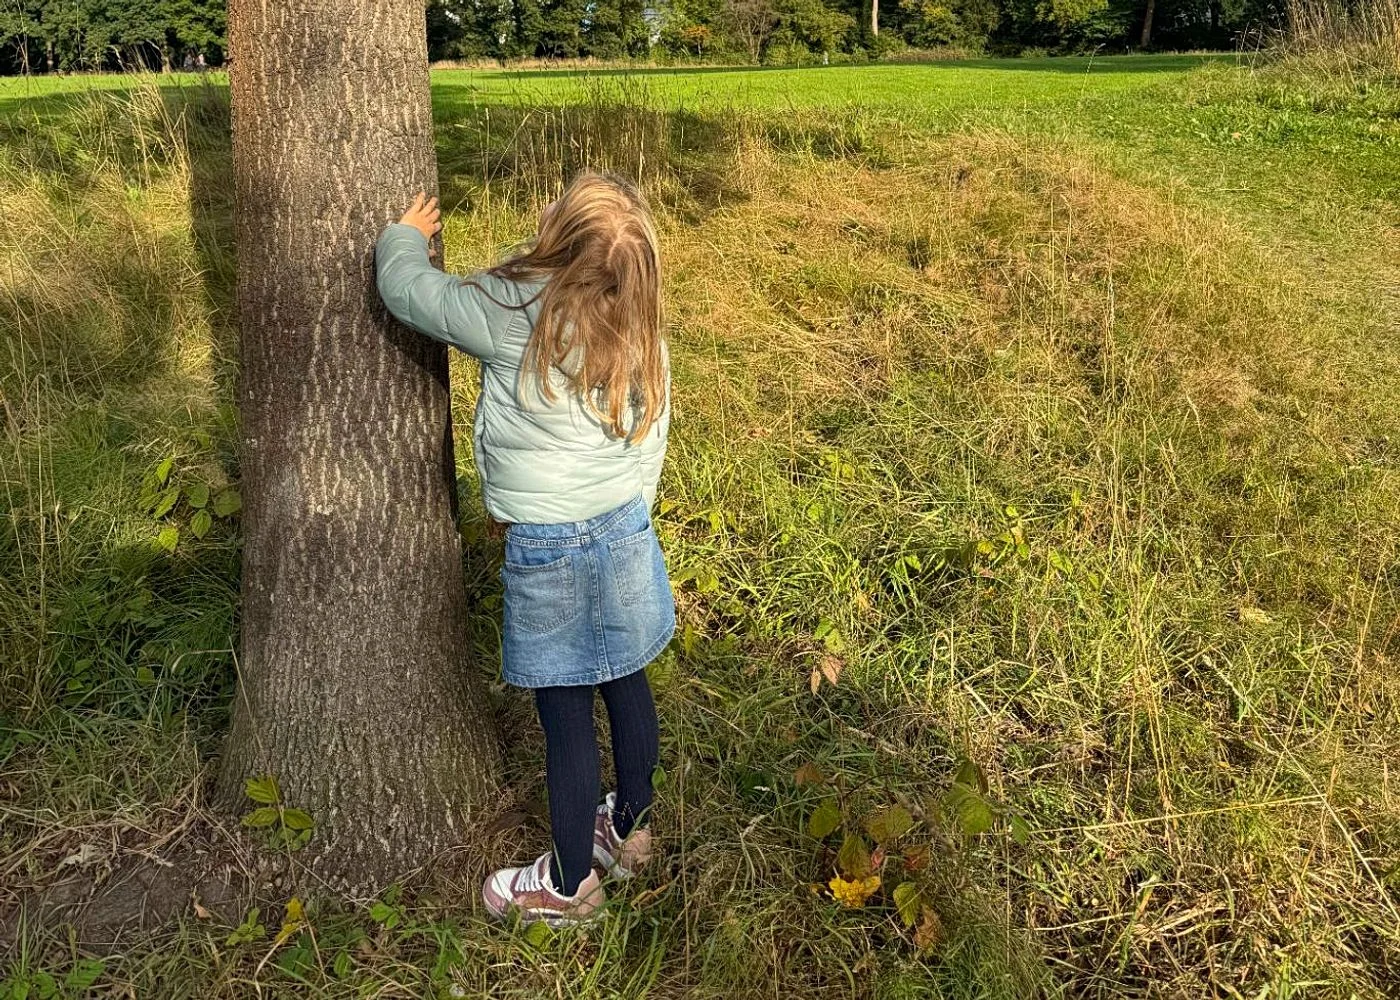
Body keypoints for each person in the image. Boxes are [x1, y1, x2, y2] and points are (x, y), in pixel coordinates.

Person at [375, 173, 674, 928]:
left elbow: (413, 296)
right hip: (624, 526)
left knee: (566, 709)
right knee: (626, 677)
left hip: (548, 539)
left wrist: (403, 237)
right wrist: (636, 511)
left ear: (558, 238)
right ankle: (631, 829)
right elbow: (654, 432)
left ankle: (570, 882)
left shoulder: (514, 308)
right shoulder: (642, 319)